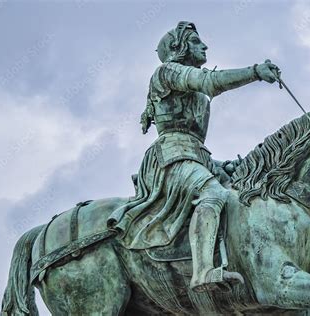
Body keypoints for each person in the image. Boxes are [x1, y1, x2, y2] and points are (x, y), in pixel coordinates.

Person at [108, 21, 280, 292]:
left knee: (240, 198)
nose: (205, 46)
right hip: (170, 157)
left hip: (193, 156)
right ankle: (202, 272)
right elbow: (210, 83)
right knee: (213, 194)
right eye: (197, 41)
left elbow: (194, 142)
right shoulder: (167, 73)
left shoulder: (194, 92)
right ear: (179, 48)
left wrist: (220, 165)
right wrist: (255, 71)